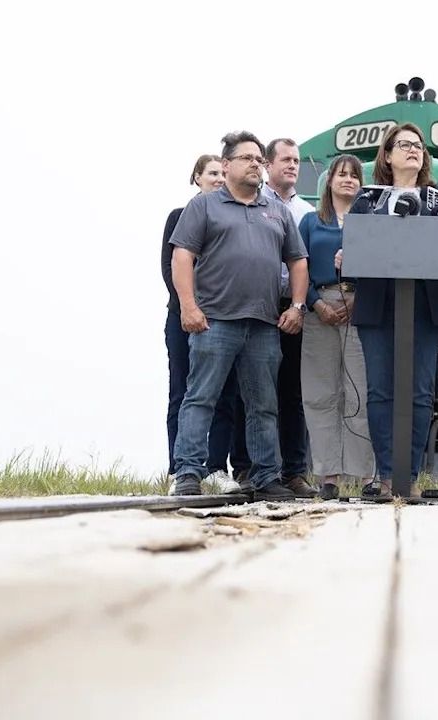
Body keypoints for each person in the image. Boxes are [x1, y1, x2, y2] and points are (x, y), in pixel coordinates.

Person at [168, 131, 310, 498]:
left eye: (259, 159)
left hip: (264, 325)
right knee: (201, 398)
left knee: (264, 405)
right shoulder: (203, 207)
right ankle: (187, 474)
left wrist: (296, 306)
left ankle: (266, 477)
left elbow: (297, 260)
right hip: (214, 321)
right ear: (226, 164)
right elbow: (182, 257)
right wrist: (188, 306)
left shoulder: (277, 210)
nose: (255, 164)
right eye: (247, 158)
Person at [346, 122, 438, 498]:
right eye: (404, 144)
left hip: (425, 306)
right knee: (381, 391)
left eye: (418, 146)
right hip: (379, 305)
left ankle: (409, 478)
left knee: (421, 392)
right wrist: (346, 257)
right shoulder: (367, 199)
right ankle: (388, 474)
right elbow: (355, 249)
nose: (413, 150)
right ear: (388, 155)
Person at [298, 154, 374, 500]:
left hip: (360, 307)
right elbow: (299, 268)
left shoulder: (370, 223)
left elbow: (381, 265)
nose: (347, 180)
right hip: (319, 310)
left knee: (358, 390)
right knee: (321, 393)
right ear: (329, 181)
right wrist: (316, 303)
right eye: (341, 174)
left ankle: (364, 474)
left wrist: (359, 300)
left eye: (354, 175)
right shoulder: (312, 223)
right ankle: (328, 474)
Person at [161, 155, 237, 484]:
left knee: (224, 395)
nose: (219, 178)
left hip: (224, 320)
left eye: (223, 173)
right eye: (212, 173)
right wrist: (190, 307)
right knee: (182, 392)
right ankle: (179, 467)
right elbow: (169, 268)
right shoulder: (179, 217)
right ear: (197, 178)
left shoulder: (233, 219)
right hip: (183, 319)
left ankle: (216, 467)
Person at [257, 138, 317, 497]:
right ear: (268, 163)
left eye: (296, 160)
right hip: (257, 306)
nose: (293, 166)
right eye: (286, 160)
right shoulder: (254, 202)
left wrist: (298, 306)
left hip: (292, 307)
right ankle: (252, 468)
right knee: (255, 392)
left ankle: (294, 471)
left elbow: (305, 263)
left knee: (293, 393)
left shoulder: (307, 212)